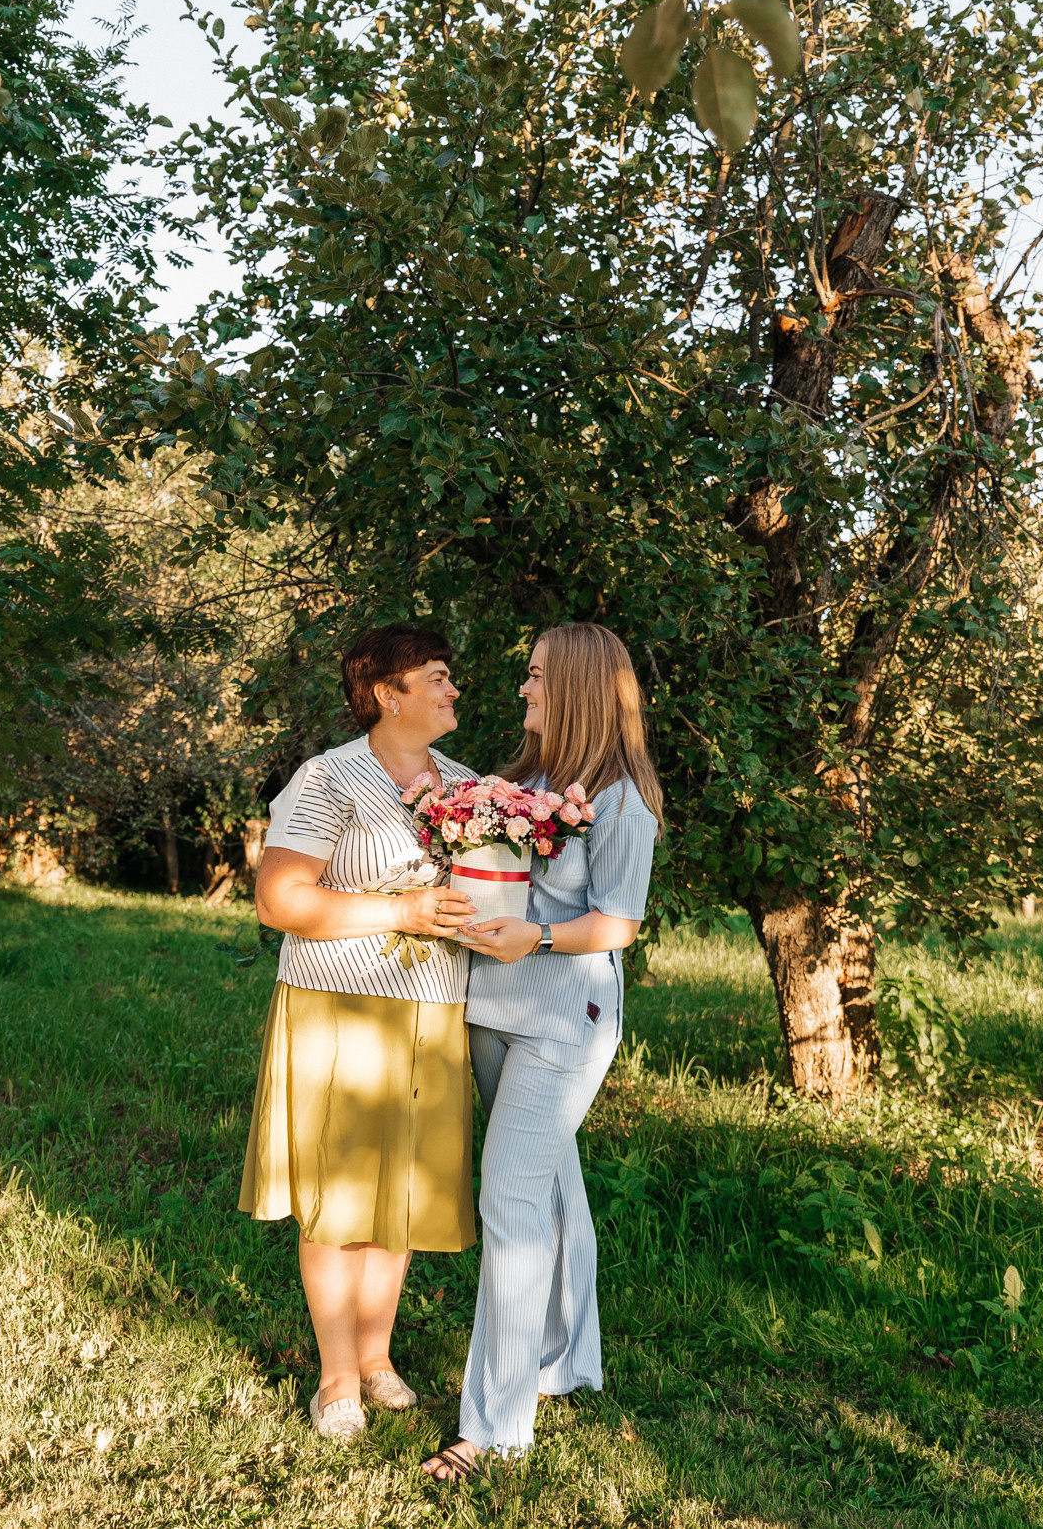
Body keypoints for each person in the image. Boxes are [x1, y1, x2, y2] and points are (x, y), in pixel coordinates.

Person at [422, 623, 663, 1481]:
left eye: (533, 677)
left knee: (510, 1204)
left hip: (567, 1017)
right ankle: (567, 1360)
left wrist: (539, 939)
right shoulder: (517, 783)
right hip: (491, 1008)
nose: (521, 691)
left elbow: (617, 927)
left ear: (579, 687)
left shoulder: (623, 799)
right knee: (550, 1187)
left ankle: (493, 1431)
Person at [241, 624, 482, 1442]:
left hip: (433, 1009)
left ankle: (377, 1358)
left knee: (400, 1200)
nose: (455, 690)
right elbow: (281, 902)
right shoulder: (328, 779)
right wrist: (403, 911)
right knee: (338, 1202)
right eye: (439, 677)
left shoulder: (470, 787)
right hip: (338, 1006)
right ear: (389, 693)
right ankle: (335, 1377)